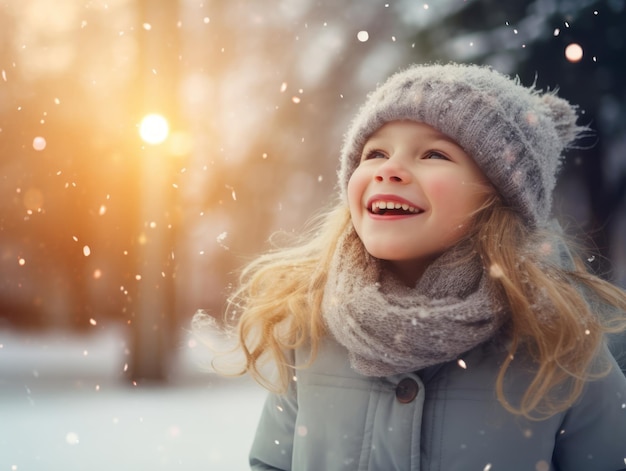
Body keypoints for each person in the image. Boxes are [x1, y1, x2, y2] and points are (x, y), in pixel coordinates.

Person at [208, 63, 626, 470]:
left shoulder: (558, 343)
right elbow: (272, 462)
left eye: (433, 153)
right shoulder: (313, 326)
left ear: (499, 197)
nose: (389, 170)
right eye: (375, 153)